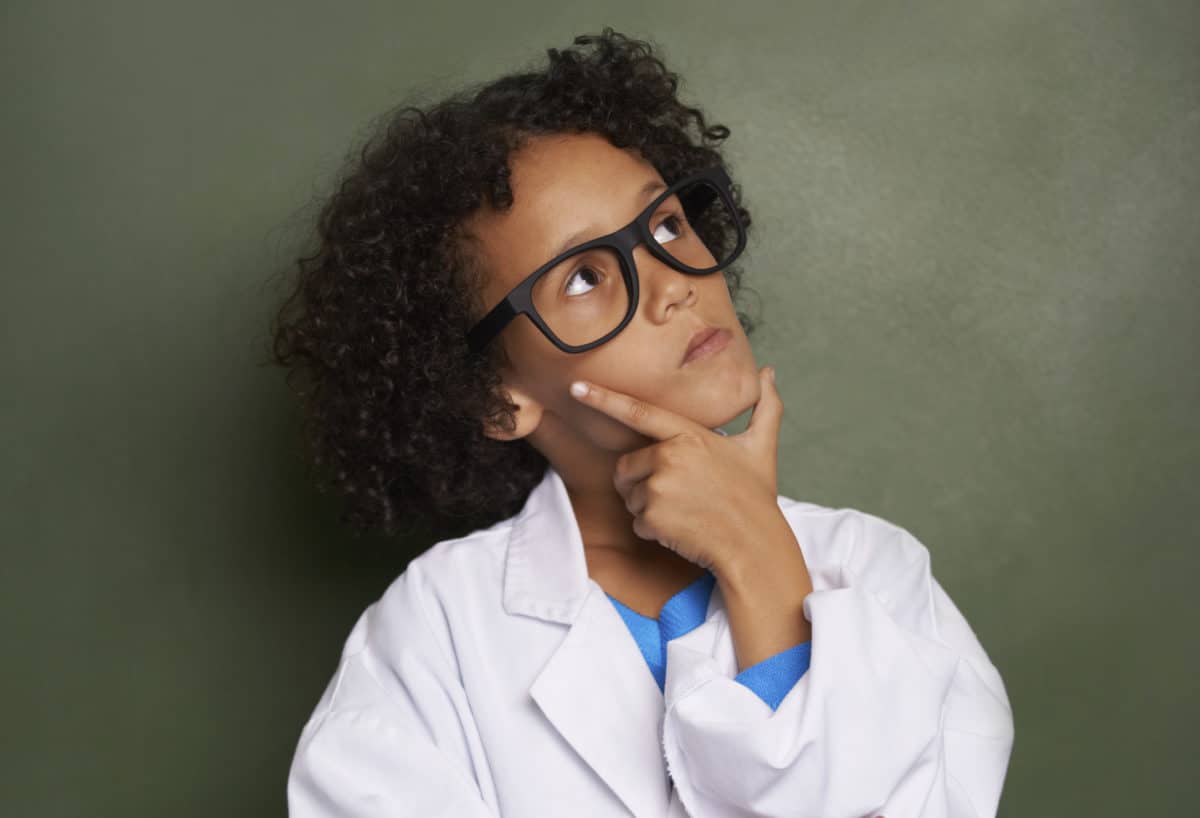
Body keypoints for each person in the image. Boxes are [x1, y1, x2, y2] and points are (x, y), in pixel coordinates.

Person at [271, 27, 1015, 818]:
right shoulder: (436, 634)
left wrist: (761, 559)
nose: (672, 285)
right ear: (495, 397)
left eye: (665, 226)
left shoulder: (877, 573)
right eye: (583, 277)